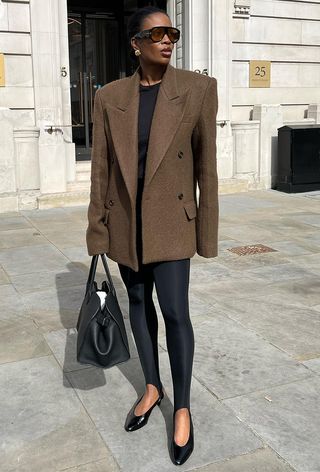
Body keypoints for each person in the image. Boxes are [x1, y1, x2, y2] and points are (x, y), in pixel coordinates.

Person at [86, 5, 219, 466]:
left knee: (176, 311)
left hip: (172, 221)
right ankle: (151, 387)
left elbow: (207, 167)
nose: (167, 40)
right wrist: (97, 229)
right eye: (157, 33)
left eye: (172, 33)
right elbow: (100, 170)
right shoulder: (110, 97)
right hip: (125, 222)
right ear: (135, 44)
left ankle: (180, 407)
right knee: (139, 305)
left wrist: (207, 231)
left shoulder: (198, 90)